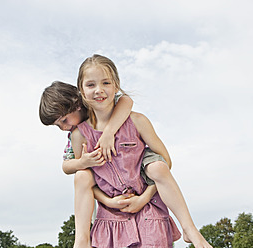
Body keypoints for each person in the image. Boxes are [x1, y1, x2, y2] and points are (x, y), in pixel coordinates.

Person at [70, 54, 212, 247]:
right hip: (111, 223)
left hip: (149, 213)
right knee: (81, 176)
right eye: (91, 85)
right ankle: (81, 242)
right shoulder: (80, 135)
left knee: (158, 167)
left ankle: (190, 229)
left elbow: (166, 162)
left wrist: (144, 198)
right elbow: (86, 185)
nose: (99, 90)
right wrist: (109, 202)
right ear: (81, 89)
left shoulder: (138, 121)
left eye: (106, 83)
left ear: (116, 85)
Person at [40, 81, 161, 247]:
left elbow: (126, 100)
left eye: (64, 120)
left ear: (77, 104)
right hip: (105, 181)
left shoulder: (99, 106)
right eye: (58, 125)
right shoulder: (75, 135)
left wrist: (108, 132)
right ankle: (82, 240)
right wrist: (83, 161)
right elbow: (66, 166)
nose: (63, 127)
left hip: (130, 171)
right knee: (82, 175)